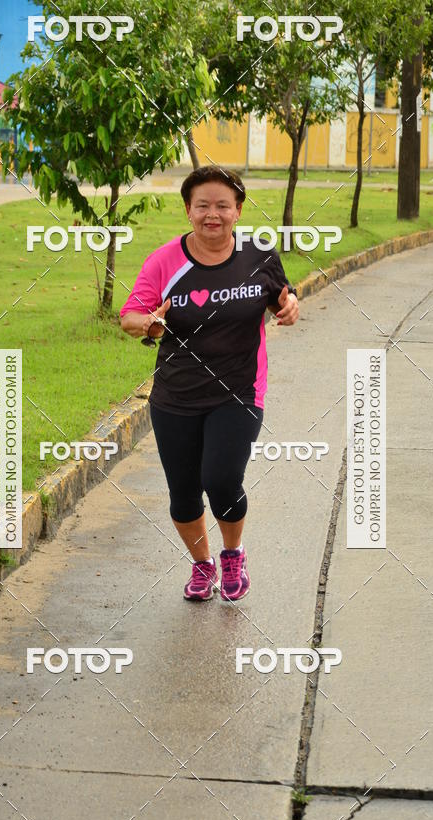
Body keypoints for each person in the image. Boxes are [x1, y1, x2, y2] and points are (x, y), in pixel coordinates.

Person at [120, 165, 299, 602]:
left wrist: (290, 306)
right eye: (203, 206)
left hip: (239, 391)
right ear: (188, 210)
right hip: (175, 396)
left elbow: (284, 296)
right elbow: (130, 316)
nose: (212, 214)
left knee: (220, 479)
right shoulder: (165, 261)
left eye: (222, 205)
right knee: (183, 495)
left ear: (238, 210)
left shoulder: (260, 256)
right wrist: (150, 324)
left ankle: (233, 554)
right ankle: (202, 566)